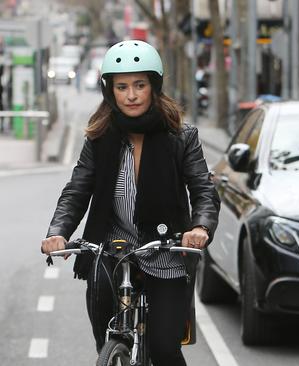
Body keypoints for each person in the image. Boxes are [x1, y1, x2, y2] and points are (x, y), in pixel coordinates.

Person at [40, 40, 219, 366]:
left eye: (140, 85)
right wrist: (58, 232)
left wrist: (200, 227)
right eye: (122, 87)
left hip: (165, 250)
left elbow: (203, 191)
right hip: (110, 249)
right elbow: (77, 191)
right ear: (110, 91)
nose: (132, 95)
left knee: (165, 349)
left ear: (154, 86)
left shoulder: (182, 136)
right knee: (108, 340)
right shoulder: (98, 137)